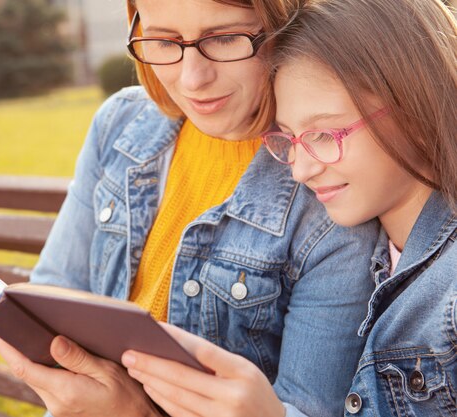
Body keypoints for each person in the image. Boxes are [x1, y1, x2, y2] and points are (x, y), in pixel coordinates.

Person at [0, 0, 381, 416]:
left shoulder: (330, 191)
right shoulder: (120, 123)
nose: (193, 79)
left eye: (226, 37)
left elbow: (307, 408)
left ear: (284, 27)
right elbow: (54, 292)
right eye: (162, 40)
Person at [121, 0, 457, 416]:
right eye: (288, 139)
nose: (299, 170)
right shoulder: (380, 257)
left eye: (322, 134)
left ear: (418, 111)